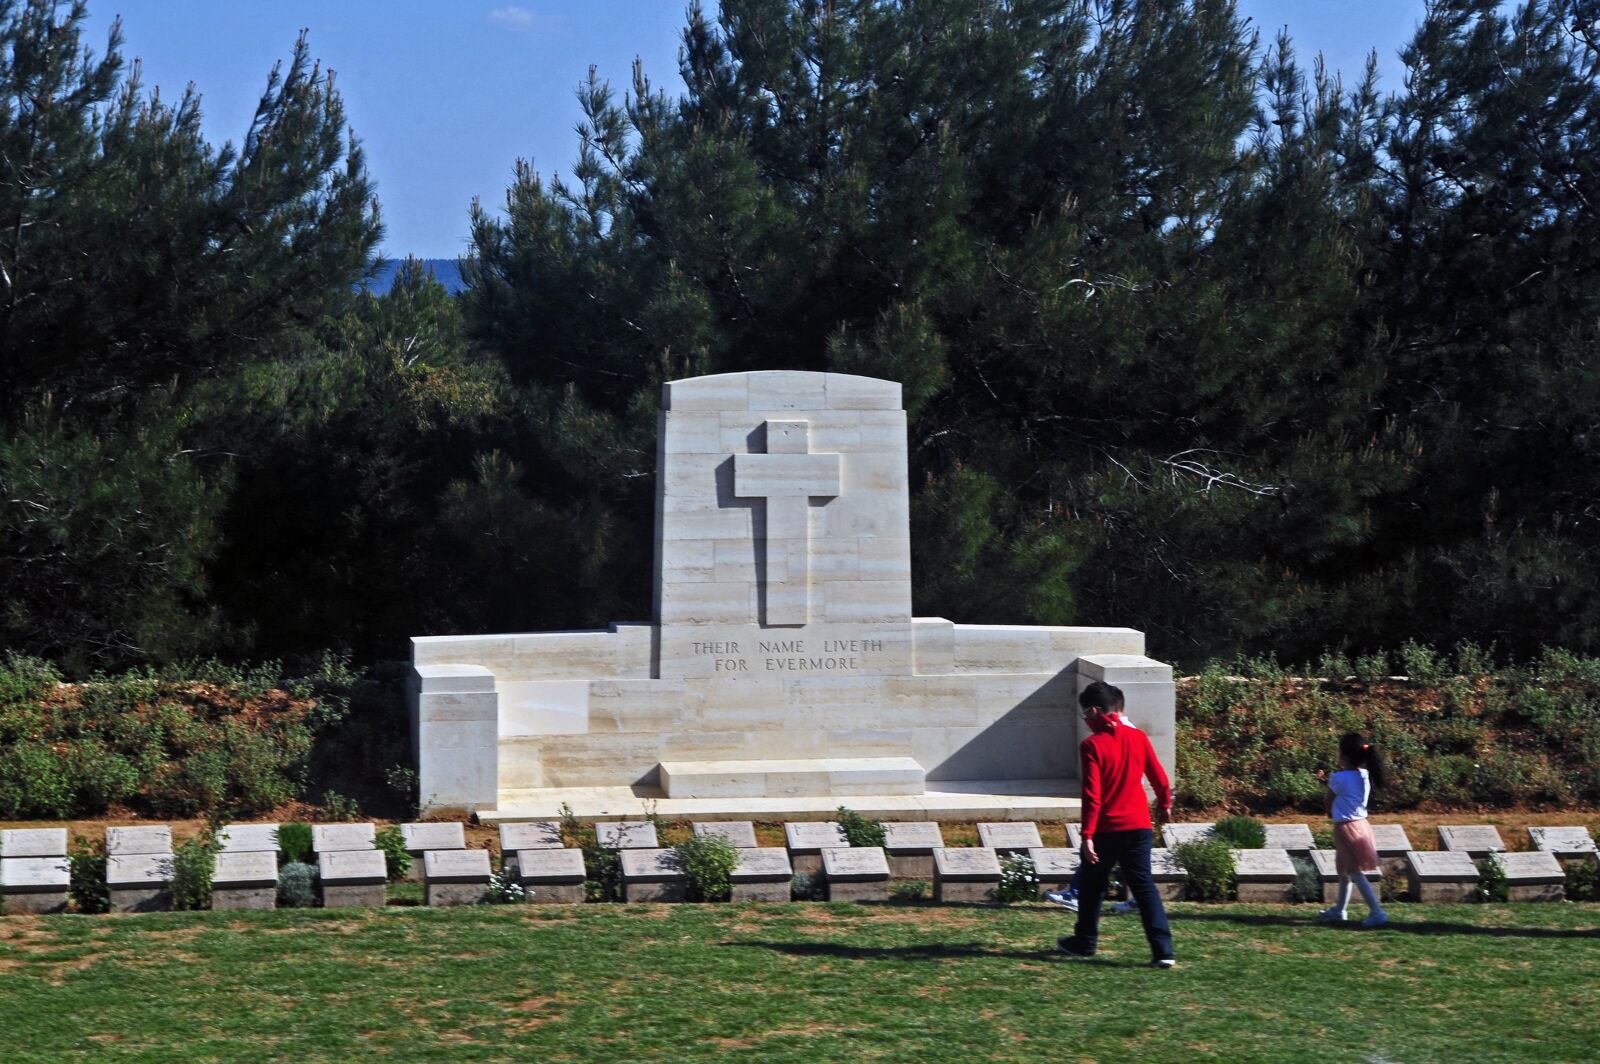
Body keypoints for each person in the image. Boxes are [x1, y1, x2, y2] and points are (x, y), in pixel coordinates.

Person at [1055, 681, 1176, 968]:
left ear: (1096, 710)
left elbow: (1092, 795)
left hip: (1108, 829)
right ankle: (1163, 951)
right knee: (1144, 887)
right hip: (1139, 826)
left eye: (1086, 713)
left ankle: (1085, 943)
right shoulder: (1138, 737)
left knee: (1092, 885)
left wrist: (1087, 835)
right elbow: (1159, 777)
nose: (1085, 720)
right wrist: (1164, 805)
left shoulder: (1091, 745)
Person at [1043, 706, 1140, 915]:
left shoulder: (1119, 734)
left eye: (1088, 713)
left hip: (1116, 811)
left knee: (1095, 854)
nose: (1086, 719)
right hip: (1127, 811)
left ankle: (1079, 896)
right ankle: (1138, 900)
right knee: (1129, 863)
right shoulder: (1129, 731)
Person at [1319, 732, 1389, 928]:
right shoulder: (1365, 775)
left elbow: (1328, 799)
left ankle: (1377, 912)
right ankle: (1340, 910)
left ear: (1344, 756)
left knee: (1354, 871)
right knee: (1344, 871)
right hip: (1360, 825)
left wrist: (1328, 812)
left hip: (1345, 827)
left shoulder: (1339, 778)